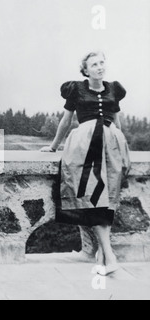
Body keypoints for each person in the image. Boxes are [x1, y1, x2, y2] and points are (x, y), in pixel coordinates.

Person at [41, 52, 130, 276]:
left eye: (102, 63)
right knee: (93, 195)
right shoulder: (77, 90)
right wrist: (53, 146)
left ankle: (103, 254)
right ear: (86, 70)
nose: (100, 67)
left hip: (110, 145)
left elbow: (117, 122)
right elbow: (66, 120)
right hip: (85, 146)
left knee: (108, 198)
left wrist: (121, 145)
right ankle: (109, 256)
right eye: (94, 64)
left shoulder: (114, 89)